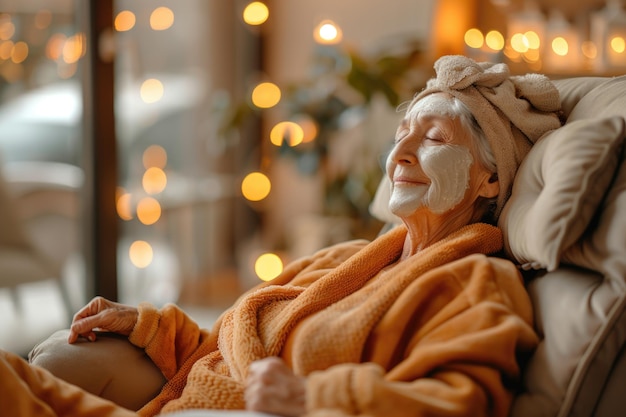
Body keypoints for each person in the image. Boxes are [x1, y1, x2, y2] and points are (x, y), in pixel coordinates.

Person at [1, 54, 562, 417]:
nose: (401, 154)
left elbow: (460, 403)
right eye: (400, 134)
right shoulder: (349, 259)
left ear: (490, 177)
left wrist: (311, 398)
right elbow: (227, 347)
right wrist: (147, 326)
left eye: (434, 136)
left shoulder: (475, 283)